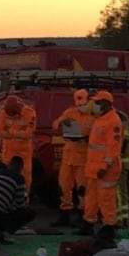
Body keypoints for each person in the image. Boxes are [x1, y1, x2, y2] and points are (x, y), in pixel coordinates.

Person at [81, 90, 123, 230]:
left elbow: (114, 148)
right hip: (94, 167)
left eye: (98, 102)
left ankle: (109, 227)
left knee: (106, 199)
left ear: (106, 104)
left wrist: (105, 166)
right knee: (91, 197)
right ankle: (88, 223)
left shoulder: (113, 121)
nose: (95, 104)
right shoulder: (100, 119)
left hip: (105, 169)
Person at [51, 88, 94, 227]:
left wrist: (86, 138)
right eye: (78, 103)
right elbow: (55, 124)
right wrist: (63, 124)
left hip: (83, 159)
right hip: (68, 157)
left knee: (82, 188)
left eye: (83, 104)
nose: (80, 107)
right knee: (63, 186)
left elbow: (97, 136)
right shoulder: (70, 112)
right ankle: (65, 214)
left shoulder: (93, 117)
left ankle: (82, 215)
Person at [0, 94, 37, 191]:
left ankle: (24, 199)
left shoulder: (29, 113)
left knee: (25, 177)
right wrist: (19, 133)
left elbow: (28, 134)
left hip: (24, 153)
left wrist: (10, 131)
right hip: (8, 152)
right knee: (6, 177)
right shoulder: (3, 112)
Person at [115, 111, 129, 226]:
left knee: (118, 191)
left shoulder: (121, 122)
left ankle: (120, 219)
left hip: (120, 162)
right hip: (123, 162)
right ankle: (123, 218)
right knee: (122, 191)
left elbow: (121, 142)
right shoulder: (123, 120)